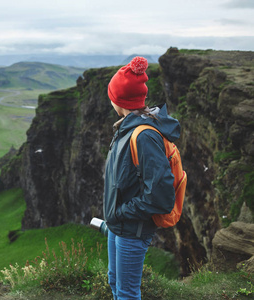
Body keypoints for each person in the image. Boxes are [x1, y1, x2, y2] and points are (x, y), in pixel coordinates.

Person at [103, 56, 180, 299]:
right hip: (119, 226)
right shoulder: (126, 126)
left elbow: (160, 197)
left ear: (119, 99)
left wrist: (121, 212)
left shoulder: (144, 136)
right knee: (115, 283)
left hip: (132, 229)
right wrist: (115, 217)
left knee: (126, 294)